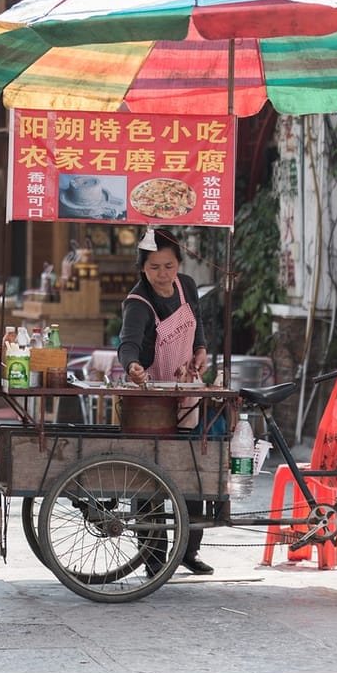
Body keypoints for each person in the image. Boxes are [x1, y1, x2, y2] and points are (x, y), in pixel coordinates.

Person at [117, 228, 212, 576]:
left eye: (169, 266)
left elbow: (197, 323)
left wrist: (200, 349)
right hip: (150, 399)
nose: (163, 274)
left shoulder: (187, 285)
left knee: (192, 468)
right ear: (143, 268)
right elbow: (127, 343)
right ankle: (153, 556)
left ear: (179, 264)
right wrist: (132, 366)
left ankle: (189, 549)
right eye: (155, 267)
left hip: (186, 389)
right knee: (151, 477)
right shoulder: (138, 302)